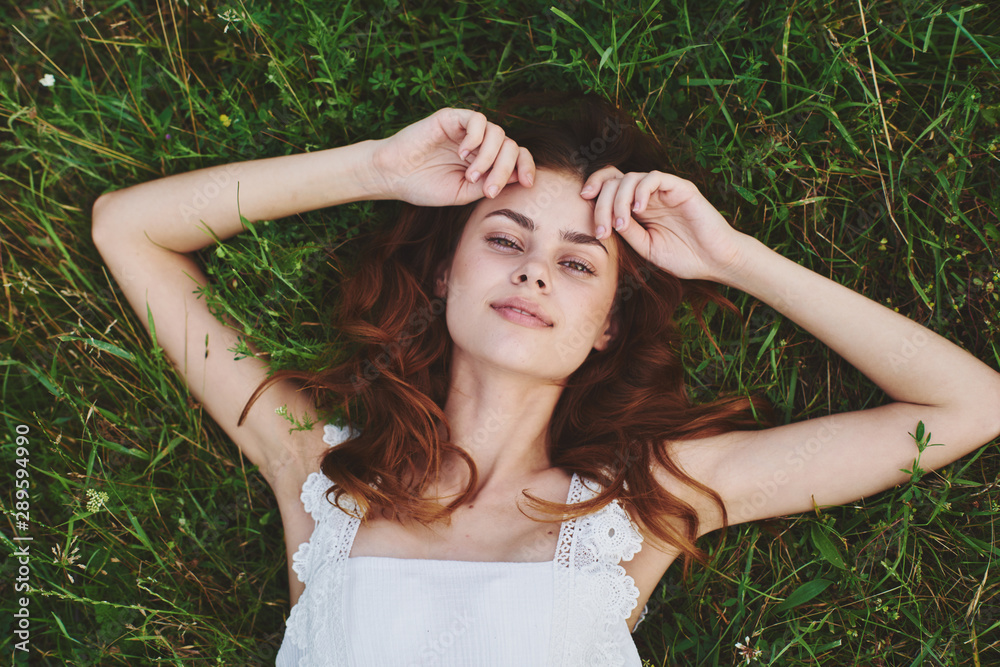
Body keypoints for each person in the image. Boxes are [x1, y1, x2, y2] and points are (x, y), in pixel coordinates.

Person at [90, 95, 1000, 666]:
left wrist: (732, 257)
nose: (532, 273)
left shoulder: (644, 504)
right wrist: (376, 167)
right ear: (446, 271)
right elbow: (127, 229)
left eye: (576, 263)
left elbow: (967, 406)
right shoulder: (319, 477)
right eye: (505, 238)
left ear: (607, 326)